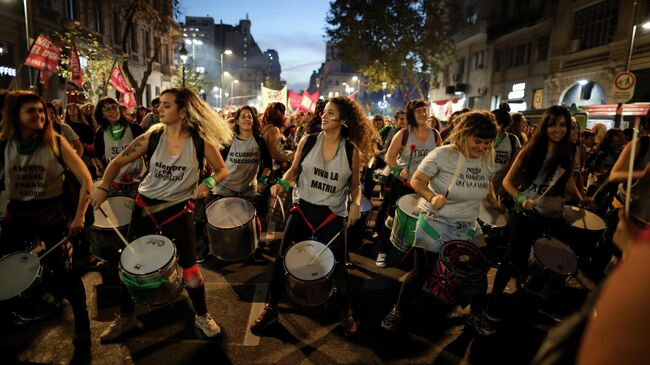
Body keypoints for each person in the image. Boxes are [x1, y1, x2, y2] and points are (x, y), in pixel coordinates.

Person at [91, 87, 232, 342]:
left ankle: (201, 315)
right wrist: (103, 187)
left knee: (190, 268)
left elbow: (222, 170)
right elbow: (117, 162)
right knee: (129, 263)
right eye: (160, 105)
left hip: (178, 210)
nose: (159, 108)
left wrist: (206, 185)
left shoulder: (200, 140)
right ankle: (126, 316)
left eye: (166, 105)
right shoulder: (152, 135)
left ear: (182, 110)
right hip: (145, 208)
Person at [250, 96, 379, 337]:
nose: (324, 116)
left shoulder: (351, 151)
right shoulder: (308, 142)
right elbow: (294, 169)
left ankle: (345, 311)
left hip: (331, 213)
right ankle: (271, 308)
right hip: (304, 208)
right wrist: (282, 184)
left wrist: (356, 204)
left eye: (331, 114)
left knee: (338, 264)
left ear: (343, 121)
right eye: (324, 112)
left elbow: (355, 186)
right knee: (281, 259)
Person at [380, 110, 499, 331]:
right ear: (464, 133)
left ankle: (476, 313)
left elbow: (487, 181)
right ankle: (399, 311)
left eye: (487, 143)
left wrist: (493, 200)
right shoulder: (442, 154)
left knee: (479, 273)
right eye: (478, 141)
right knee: (421, 272)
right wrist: (432, 197)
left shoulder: (487, 158)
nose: (482, 147)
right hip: (436, 221)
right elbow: (417, 181)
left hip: (468, 225)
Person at [478, 105, 592, 335]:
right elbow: (508, 182)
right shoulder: (531, 150)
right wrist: (520, 198)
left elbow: (567, 182)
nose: (558, 129)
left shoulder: (569, 152)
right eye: (553, 124)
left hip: (553, 215)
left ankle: (534, 302)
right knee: (513, 259)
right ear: (544, 126)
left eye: (562, 124)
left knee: (557, 260)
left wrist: (581, 198)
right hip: (527, 214)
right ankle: (492, 307)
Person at [0, 91, 94, 360]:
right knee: (5, 270)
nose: (40, 116)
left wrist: (79, 217)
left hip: (50, 216)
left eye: (41, 110)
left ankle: (83, 330)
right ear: (16, 115)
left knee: (66, 276)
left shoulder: (57, 142)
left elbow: (87, 181)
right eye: (32, 111)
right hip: (16, 215)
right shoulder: (4, 144)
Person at [199, 105, 272, 262]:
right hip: (224, 187)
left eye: (250, 116)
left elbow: (268, 165)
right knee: (212, 219)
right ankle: (208, 248)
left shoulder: (259, 141)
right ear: (237, 121)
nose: (247, 119)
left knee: (251, 221)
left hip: (248, 189)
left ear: (254, 120)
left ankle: (253, 250)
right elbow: (216, 163)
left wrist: (262, 181)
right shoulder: (229, 140)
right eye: (243, 116)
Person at [375, 99, 441, 268]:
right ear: (412, 114)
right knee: (391, 219)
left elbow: (440, 158)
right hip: (401, 185)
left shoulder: (435, 134)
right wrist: (398, 171)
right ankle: (382, 252)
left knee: (420, 221)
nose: (423, 114)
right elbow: (389, 157)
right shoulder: (404, 134)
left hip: (424, 187)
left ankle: (412, 256)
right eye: (419, 111)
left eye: (425, 111)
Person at [93, 97, 144, 196]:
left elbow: (147, 149)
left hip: (137, 180)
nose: (113, 111)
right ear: (102, 115)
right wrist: (101, 170)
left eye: (114, 107)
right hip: (115, 181)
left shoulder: (134, 127)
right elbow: (98, 155)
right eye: (107, 110)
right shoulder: (101, 132)